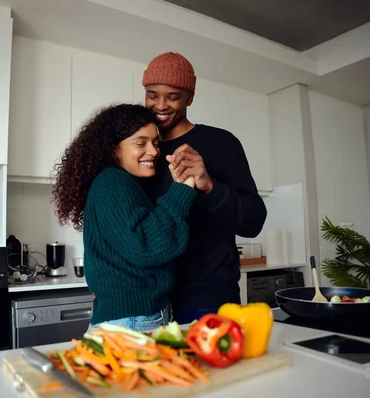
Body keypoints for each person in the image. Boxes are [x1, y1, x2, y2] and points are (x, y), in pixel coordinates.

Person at [141, 52, 268, 324]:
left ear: (190, 98)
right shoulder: (142, 151)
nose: (160, 105)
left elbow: (253, 220)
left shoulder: (221, 143)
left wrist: (210, 186)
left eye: (173, 96)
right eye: (152, 95)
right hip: (150, 300)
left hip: (208, 298)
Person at [51, 103, 197, 332]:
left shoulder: (119, 183)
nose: (153, 151)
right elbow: (146, 246)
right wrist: (184, 189)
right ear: (113, 149)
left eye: (155, 143)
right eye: (141, 143)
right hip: (134, 320)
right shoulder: (113, 182)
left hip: (130, 318)